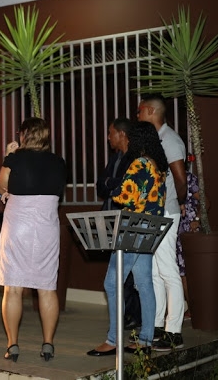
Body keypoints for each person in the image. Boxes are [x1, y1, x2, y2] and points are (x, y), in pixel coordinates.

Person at [88, 121, 167, 356]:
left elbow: (124, 196)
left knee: (112, 283)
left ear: (138, 139)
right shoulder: (157, 165)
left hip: (133, 226)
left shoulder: (139, 163)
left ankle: (114, 339)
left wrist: (114, 188)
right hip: (149, 227)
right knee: (144, 283)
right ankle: (145, 340)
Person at [0, 117, 67, 362]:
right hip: (46, 226)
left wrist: (8, 155)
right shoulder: (58, 162)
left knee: (13, 288)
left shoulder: (15, 159)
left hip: (18, 225)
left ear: (24, 135)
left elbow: (1, 185)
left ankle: (12, 345)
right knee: (46, 287)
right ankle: (48, 344)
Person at [137, 94, 186, 351]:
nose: (137, 116)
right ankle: (156, 324)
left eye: (139, 112)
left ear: (149, 111)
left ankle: (174, 330)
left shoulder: (170, 140)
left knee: (168, 270)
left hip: (166, 211)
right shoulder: (155, 140)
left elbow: (180, 178)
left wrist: (178, 202)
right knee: (155, 272)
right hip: (154, 211)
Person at [96, 118, 142, 330]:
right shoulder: (115, 158)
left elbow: (125, 186)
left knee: (129, 272)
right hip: (111, 218)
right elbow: (101, 185)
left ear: (122, 134)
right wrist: (111, 184)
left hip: (128, 219)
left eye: (110, 133)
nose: (108, 138)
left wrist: (111, 184)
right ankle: (124, 315)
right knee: (119, 270)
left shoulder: (135, 157)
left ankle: (133, 315)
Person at [175, 155, 206, 321]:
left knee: (186, 273)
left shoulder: (189, 179)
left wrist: (197, 220)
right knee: (179, 274)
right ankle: (188, 309)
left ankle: (194, 310)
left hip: (189, 232)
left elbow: (206, 202)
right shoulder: (167, 178)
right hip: (173, 231)